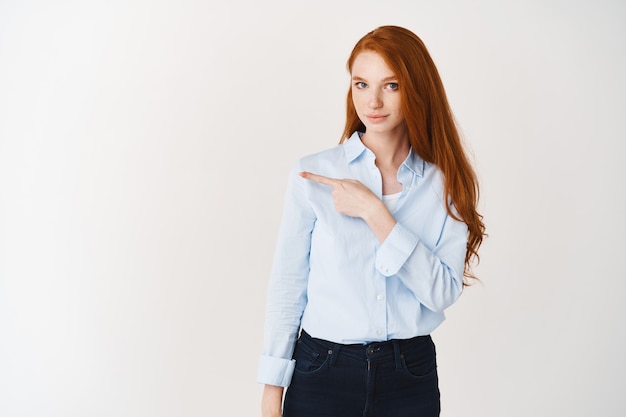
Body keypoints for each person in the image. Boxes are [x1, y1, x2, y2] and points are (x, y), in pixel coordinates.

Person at [257, 25, 485, 417]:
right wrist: (271, 390)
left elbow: (442, 292)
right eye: (361, 84)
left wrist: (375, 213)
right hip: (321, 370)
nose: (373, 100)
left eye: (391, 85)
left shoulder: (444, 183)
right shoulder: (313, 175)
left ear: (415, 88)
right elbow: (287, 288)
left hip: (408, 375)